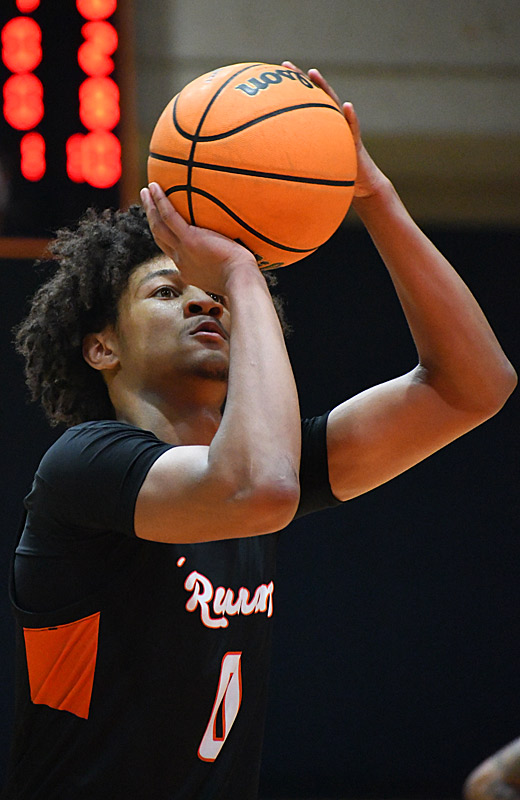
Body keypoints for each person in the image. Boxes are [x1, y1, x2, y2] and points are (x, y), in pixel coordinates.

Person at [3, 63, 516, 799]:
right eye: (167, 290)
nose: (203, 303)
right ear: (101, 347)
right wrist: (243, 274)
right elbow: (259, 485)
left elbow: (474, 387)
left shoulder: (256, 468)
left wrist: (377, 201)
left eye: (211, 292)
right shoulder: (84, 467)